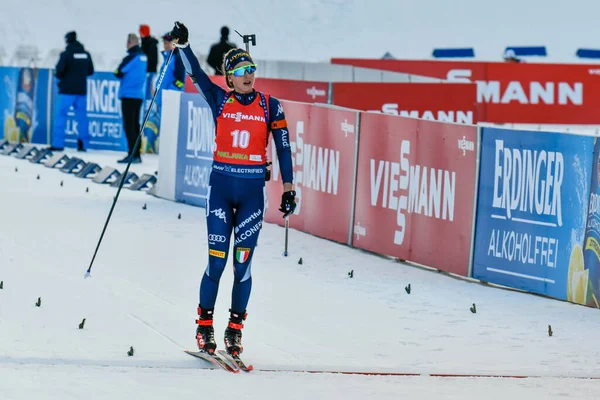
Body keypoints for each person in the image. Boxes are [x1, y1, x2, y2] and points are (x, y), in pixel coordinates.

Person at [170, 21, 297, 356]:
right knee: (216, 262)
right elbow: (196, 73)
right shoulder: (219, 100)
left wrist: (288, 188)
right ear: (228, 76)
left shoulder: (271, 106)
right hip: (221, 192)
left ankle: (235, 330)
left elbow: (283, 148)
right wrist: (183, 46)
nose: (247, 74)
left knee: (243, 265)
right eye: (240, 69)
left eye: (251, 68)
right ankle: (204, 326)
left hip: (253, 194)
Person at [51, 31, 94, 152]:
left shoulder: (66, 54)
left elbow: (59, 71)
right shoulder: (86, 54)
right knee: (82, 117)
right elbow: (90, 71)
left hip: (66, 91)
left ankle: (58, 144)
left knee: (61, 116)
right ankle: (83, 144)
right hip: (81, 90)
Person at [114, 33, 147, 164]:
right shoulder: (143, 57)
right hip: (139, 95)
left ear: (129, 42)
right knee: (136, 125)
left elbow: (118, 72)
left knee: (129, 126)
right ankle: (137, 153)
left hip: (128, 95)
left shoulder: (131, 57)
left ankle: (132, 154)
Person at [139, 24, 159, 98]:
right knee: (146, 91)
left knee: (148, 91)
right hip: (147, 71)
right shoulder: (145, 43)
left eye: (141, 32)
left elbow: (151, 59)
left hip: (150, 71)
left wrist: (146, 69)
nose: (140, 34)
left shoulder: (150, 44)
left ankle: (149, 106)